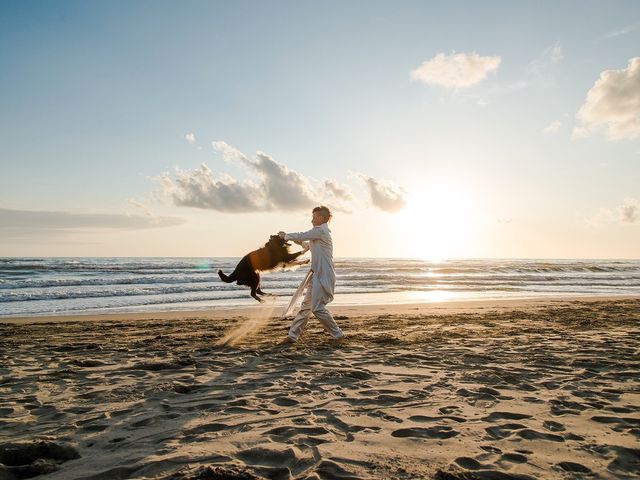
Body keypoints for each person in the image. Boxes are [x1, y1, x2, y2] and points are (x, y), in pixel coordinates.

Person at [278, 206, 345, 343]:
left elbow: (303, 235)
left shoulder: (320, 231)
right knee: (306, 307)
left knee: (317, 308)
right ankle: (292, 336)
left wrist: (286, 236)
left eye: (314, 217)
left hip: (323, 275)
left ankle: (338, 334)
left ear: (321, 218)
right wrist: (289, 239)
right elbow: (305, 243)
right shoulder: (318, 234)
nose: (312, 220)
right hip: (316, 275)